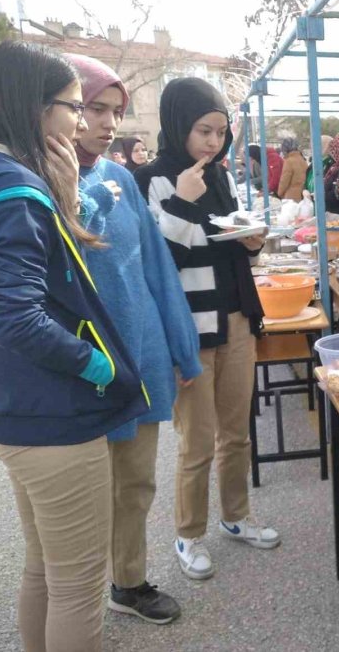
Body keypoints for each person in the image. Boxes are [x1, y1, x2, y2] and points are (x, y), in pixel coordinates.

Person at [0, 40, 149, 652]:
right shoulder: (15, 188)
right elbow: (17, 317)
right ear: (34, 107)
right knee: (80, 584)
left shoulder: (14, 177)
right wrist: (102, 367)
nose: (82, 122)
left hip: (21, 411)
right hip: (55, 415)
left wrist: (65, 191)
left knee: (46, 569)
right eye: (73, 106)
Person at [68, 54, 203, 624]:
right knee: (78, 499)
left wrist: (179, 346)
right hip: (75, 367)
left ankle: (129, 581)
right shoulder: (31, 181)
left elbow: (155, 269)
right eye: (92, 108)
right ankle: (72, 600)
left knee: (137, 482)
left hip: (139, 352)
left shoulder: (118, 177)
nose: (106, 123)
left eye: (114, 111)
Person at [135, 77, 280, 582]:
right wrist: (180, 200)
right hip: (189, 327)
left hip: (236, 314)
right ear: (178, 125)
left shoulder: (219, 174)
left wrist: (252, 242)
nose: (213, 142)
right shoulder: (149, 178)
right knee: (196, 441)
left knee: (236, 433)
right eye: (203, 130)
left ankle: (236, 517)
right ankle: (188, 533)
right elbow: (160, 258)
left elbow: (225, 239)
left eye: (220, 132)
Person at [307, 133, 339, 215]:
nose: (332, 152)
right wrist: (305, 191)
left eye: (334, 148)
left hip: (335, 213)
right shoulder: (331, 165)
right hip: (321, 209)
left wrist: (321, 195)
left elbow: (337, 191)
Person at [277, 137, 308, 201]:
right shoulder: (302, 159)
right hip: (303, 195)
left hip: (291, 197)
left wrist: (279, 193)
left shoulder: (289, 161)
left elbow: (284, 180)